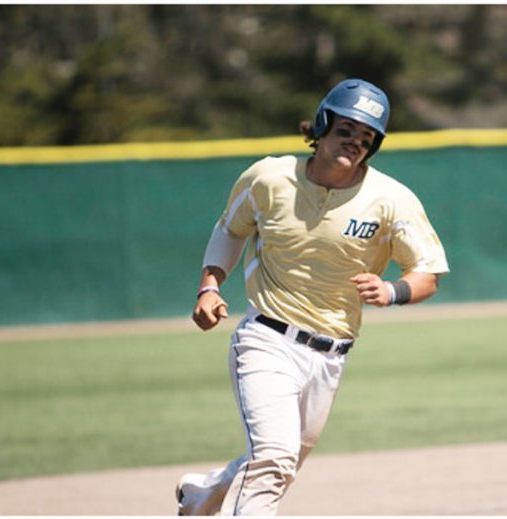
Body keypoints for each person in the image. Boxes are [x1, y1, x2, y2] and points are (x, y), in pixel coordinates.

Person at [176, 78, 449, 515]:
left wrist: (393, 290)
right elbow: (231, 229)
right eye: (346, 130)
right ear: (321, 126)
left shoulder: (391, 199)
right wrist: (210, 284)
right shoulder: (269, 177)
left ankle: (204, 494)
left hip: (331, 354)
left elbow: (428, 273)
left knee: (280, 464)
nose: (355, 143)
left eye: (366, 138)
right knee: (274, 459)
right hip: (268, 336)